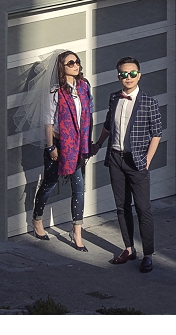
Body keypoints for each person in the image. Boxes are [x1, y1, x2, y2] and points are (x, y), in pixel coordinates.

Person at [91, 56, 164, 270]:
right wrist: (97, 144)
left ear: (139, 75)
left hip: (138, 162)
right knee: (122, 207)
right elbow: (107, 124)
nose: (128, 77)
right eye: (124, 74)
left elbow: (157, 133)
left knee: (143, 209)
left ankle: (148, 253)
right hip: (115, 159)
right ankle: (129, 249)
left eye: (132, 73)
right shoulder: (114, 98)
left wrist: (148, 159)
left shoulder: (149, 102)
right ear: (119, 77)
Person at [29, 50, 93, 250]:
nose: (76, 65)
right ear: (61, 67)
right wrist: (50, 147)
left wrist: (86, 145)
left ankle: (77, 231)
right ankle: (37, 220)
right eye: (70, 63)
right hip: (58, 144)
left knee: (79, 188)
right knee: (48, 183)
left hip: (78, 145)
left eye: (77, 62)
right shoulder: (54, 92)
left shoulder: (84, 87)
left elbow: (87, 116)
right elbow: (48, 122)